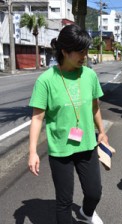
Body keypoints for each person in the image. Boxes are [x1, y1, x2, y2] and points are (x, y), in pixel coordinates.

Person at [28, 24, 107, 224]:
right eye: (80, 52)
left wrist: (102, 132)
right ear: (64, 51)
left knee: (94, 192)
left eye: (86, 50)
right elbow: (37, 118)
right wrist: (32, 151)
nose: (85, 55)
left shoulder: (89, 75)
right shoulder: (46, 80)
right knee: (64, 201)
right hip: (60, 148)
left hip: (87, 144)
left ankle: (86, 213)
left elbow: (95, 107)